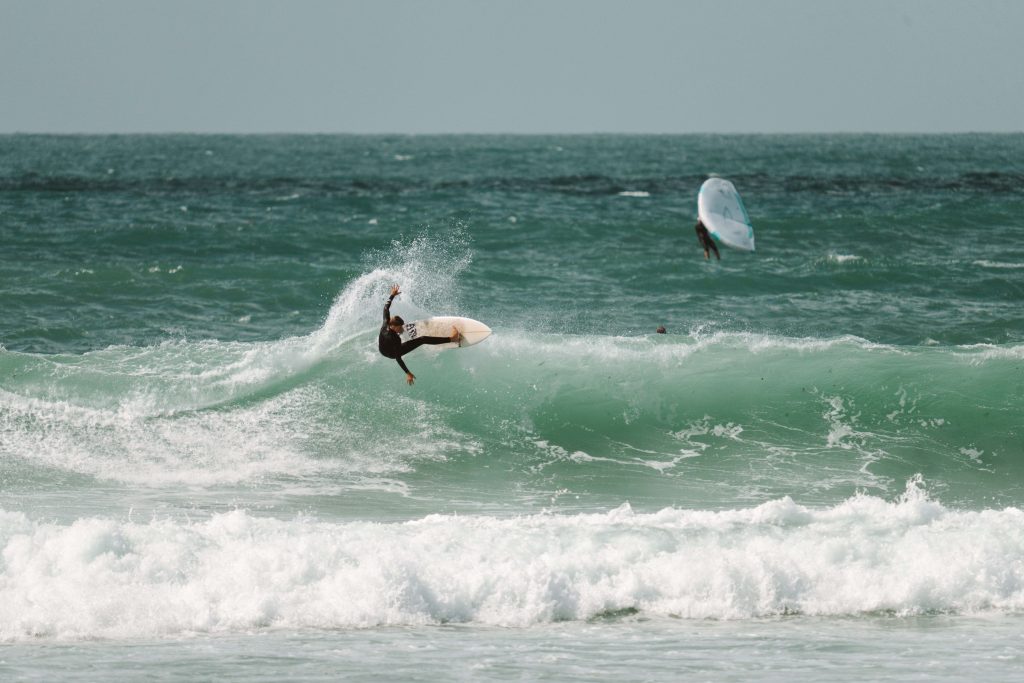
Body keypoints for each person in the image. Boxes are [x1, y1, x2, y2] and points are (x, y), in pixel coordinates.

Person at [378, 285, 459, 385]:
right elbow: (397, 357)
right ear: (394, 326)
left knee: (404, 338)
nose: (402, 328)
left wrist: (392, 295)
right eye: (400, 327)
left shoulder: (386, 322)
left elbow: (386, 308)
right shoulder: (395, 339)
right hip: (390, 353)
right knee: (423, 339)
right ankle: (452, 339)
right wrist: (408, 373)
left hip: (382, 349)